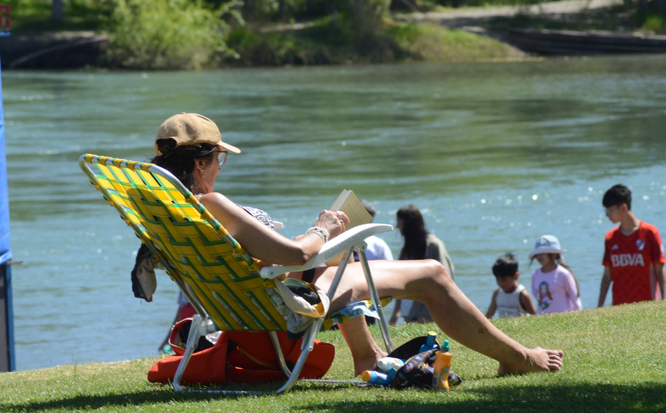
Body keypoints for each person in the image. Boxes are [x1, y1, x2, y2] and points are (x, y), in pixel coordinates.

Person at [149, 112, 563, 376]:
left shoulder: (166, 213)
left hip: (246, 302)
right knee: (433, 275)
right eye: (219, 159)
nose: (221, 167)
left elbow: (253, 260)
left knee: (340, 266)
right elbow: (296, 256)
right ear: (201, 162)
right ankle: (521, 359)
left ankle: (366, 357)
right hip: (283, 304)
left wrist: (303, 246)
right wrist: (324, 228)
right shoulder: (213, 203)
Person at [599, 184, 666, 307]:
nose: (607, 215)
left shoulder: (650, 233)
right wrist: (599, 307)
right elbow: (607, 277)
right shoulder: (610, 237)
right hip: (619, 307)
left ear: (623, 208)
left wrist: (664, 302)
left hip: (648, 305)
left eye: (610, 210)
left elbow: (659, 270)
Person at [387, 205, 454, 325]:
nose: (397, 227)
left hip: (426, 306)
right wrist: (396, 312)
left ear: (409, 224)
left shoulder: (433, 244)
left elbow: (445, 277)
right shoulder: (407, 249)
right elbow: (399, 281)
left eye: (400, 223)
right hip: (408, 308)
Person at [529, 235, 582, 314]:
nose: (539, 256)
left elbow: (574, 298)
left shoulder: (563, 274)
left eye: (543, 253)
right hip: (541, 317)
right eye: (538, 253)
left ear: (554, 255)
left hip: (562, 316)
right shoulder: (535, 275)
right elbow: (536, 295)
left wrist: (577, 315)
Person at [485, 253, 536, 319]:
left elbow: (534, 317)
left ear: (515, 276)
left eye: (504, 280)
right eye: (497, 279)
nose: (500, 283)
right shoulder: (497, 293)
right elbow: (489, 315)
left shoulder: (522, 295)